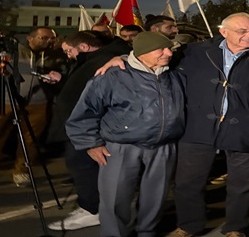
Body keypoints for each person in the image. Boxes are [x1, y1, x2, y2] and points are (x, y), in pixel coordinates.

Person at [169, 13, 249, 237]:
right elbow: (155, 59)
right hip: (197, 129)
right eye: (242, 31)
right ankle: (188, 225)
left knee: (241, 185)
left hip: (245, 131)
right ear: (223, 32)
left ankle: (235, 227)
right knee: (187, 183)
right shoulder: (194, 52)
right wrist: (119, 59)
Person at [65, 32, 184, 237]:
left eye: (169, 48)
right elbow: (85, 112)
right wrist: (90, 143)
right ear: (142, 53)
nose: (168, 53)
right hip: (120, 147)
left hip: (164, 146)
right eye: (161, 49)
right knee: (115, 197)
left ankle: (147, 232)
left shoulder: (174, 74)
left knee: (155, 196)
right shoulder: (112, 76)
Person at [47, 31, 131, 231]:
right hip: (83, 128)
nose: (68, 56)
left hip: (90, 129)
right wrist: (63, 79)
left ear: (83, 47)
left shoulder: (104, 62)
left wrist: (90, 138)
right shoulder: (94, 61)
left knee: (84, 167)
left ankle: (92, 210)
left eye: (69, 51)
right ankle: (92, 206)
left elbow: (97, 97)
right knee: (84, 167)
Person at [0, 27, 63, 191]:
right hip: (3, 101)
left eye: (51, 39)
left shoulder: (57, 55)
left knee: (30, 140)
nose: (49, 42)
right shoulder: (7, 49)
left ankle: (22, 171)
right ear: (29, 38)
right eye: (44, 38)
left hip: (37, 102)